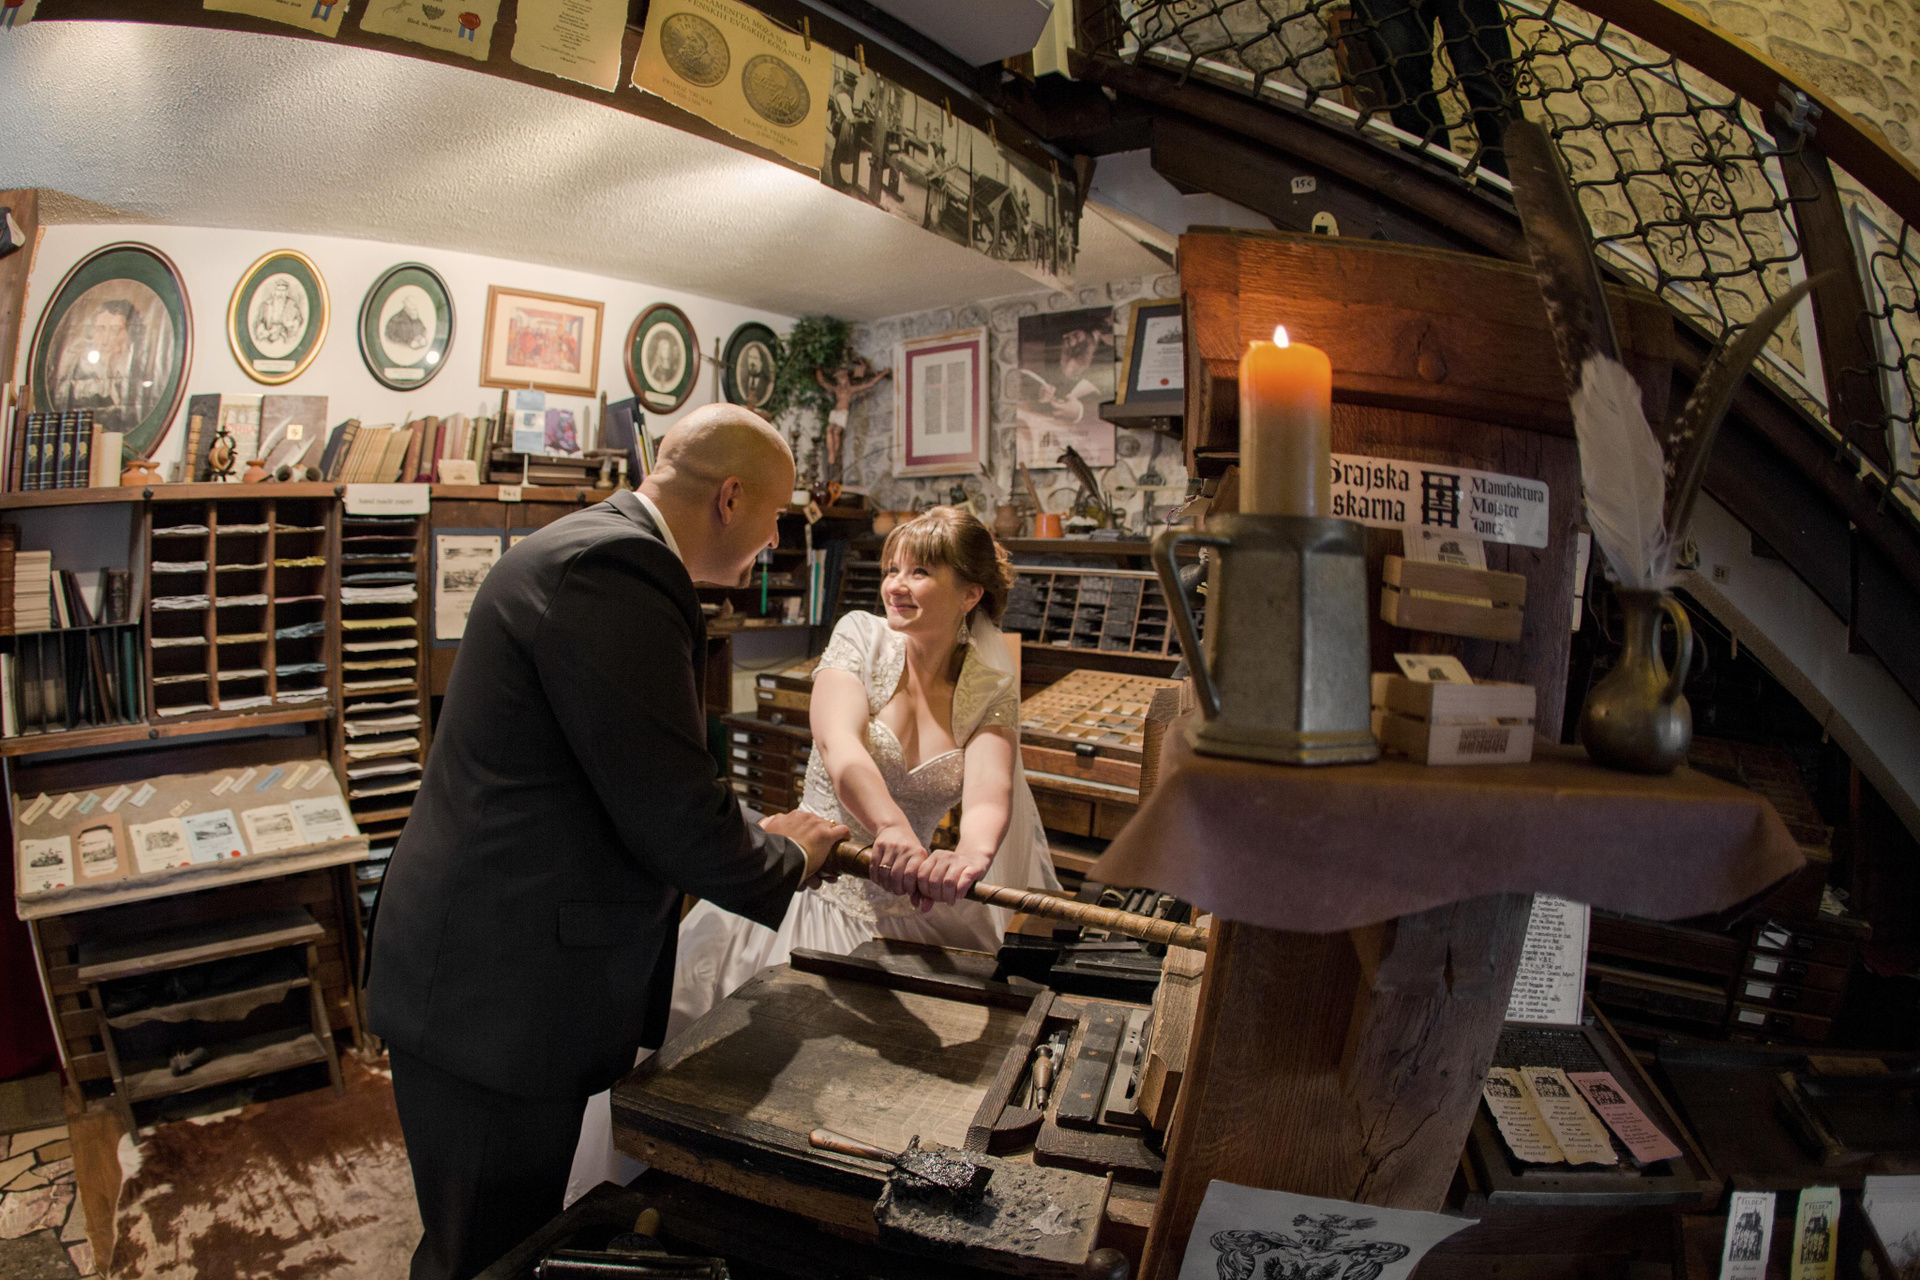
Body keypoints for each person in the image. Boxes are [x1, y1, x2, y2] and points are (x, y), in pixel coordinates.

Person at [367, 404, 849, 1280]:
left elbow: (627, 771)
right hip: (494, 991)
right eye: (777, 515)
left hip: (487, 966)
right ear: (730, 498)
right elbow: (669, 808)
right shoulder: (620, 570)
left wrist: (746, 825)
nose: (776, 540)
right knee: (484, 1255)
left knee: (490, 1237)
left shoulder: (593, 546)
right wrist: (791, 855)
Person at [566, 506, 1060, 1199]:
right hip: (807, 894)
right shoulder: (861, 636)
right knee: (727, 1085)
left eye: (920, 571)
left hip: (909, 914)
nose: (896, 584)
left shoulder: (989, 685)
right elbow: (840, 744)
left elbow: (988, 791)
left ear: (970, 593)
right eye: (892, 569)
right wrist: (891, 827)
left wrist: (971, 855)